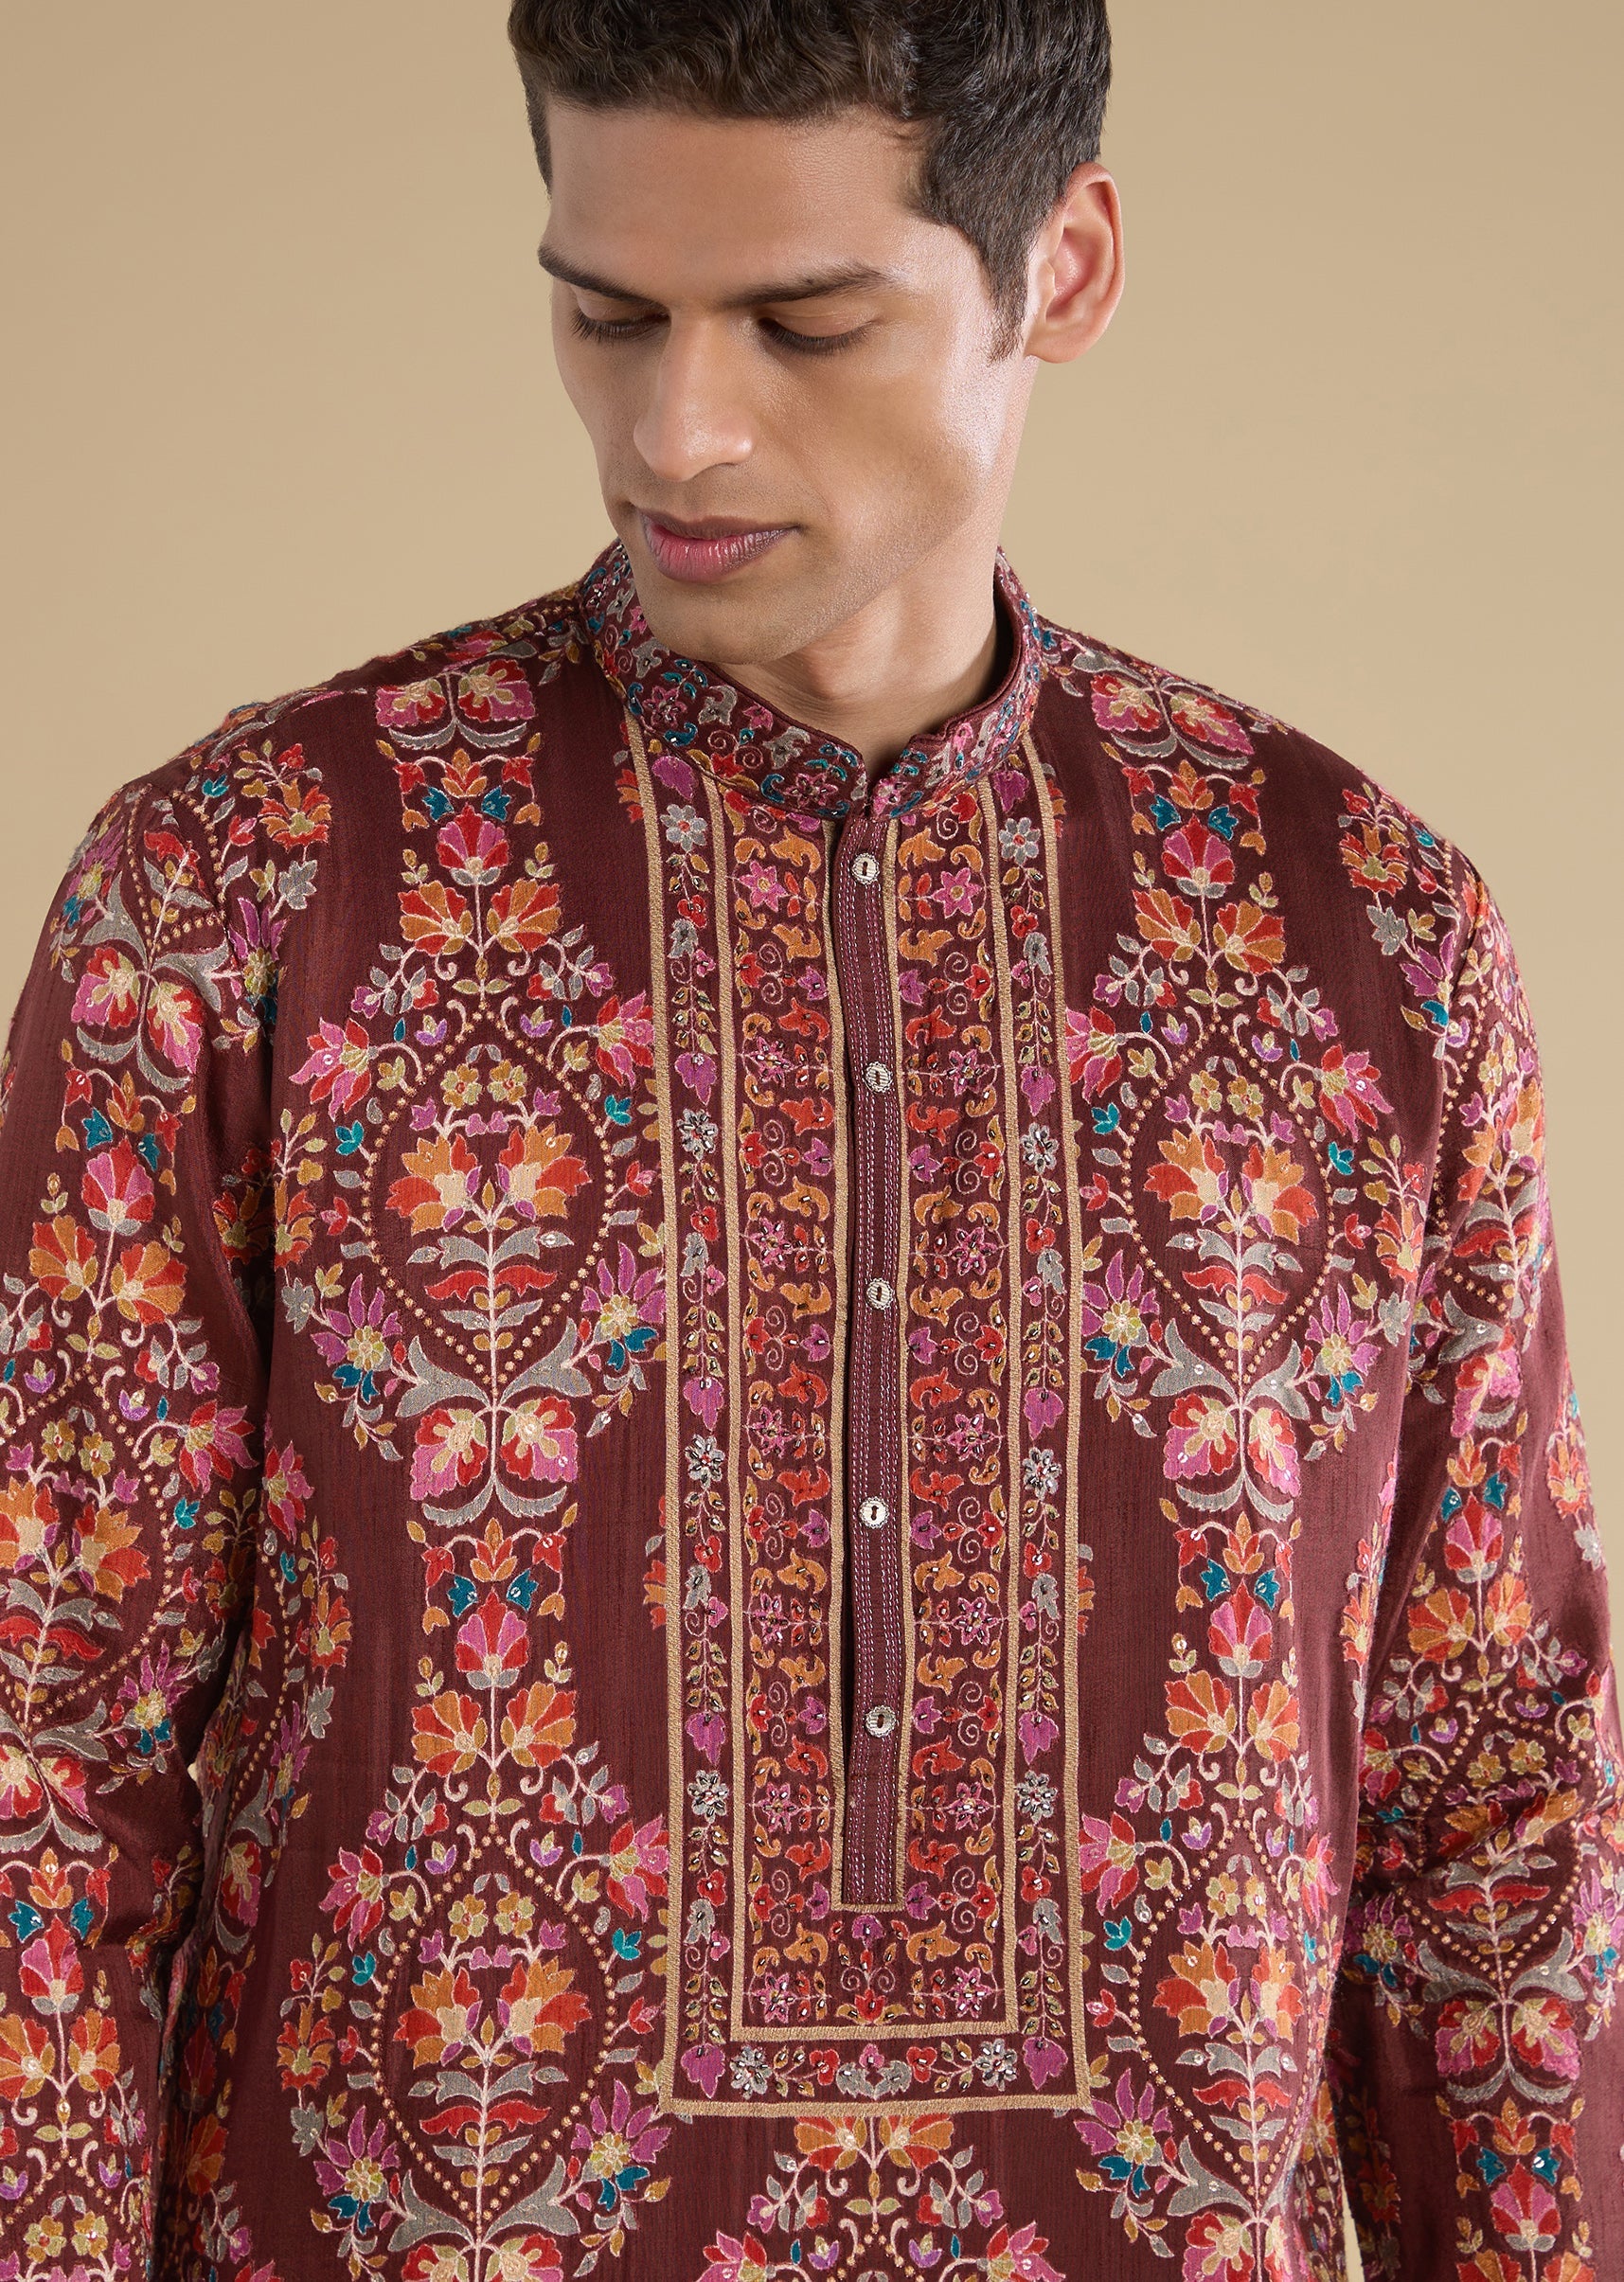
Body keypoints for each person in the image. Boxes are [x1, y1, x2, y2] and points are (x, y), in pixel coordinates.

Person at [0, 2, 1616, 2273]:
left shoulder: (1367, 941)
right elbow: (41, 1770)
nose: (676, 426)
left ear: (1061, 268)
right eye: (607, 313)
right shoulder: (244, 897)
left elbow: (1498, 1830)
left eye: (803, 320)